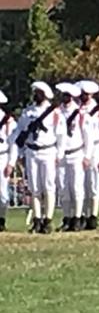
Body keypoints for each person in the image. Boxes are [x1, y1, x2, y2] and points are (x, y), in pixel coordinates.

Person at [7, 81, 64, 233]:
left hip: (48, 151)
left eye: (38, 93)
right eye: (35, 93)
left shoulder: (54, 113)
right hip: (32, 151)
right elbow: (20, 131)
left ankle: (48, 219)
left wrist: (60, 154)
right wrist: (17, 151)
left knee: (48, 186)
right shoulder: (28, 112)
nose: (35, 95)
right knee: (34, 188)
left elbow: (61, 135)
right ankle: (37, 219)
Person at [78, 80, 99, 230]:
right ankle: (83, 215)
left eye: (86, 94)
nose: (83, 96)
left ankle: (93, 216)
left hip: (96, 149)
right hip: (80, 149)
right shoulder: (77, 109)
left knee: (93, 185)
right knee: (81, 185)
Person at [55, 82, 86, 232]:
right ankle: (67, 218)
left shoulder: (79, 113)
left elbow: (87, 136)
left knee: (77, 187)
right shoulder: (57, 112)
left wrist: (87, 155)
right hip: (61, 155)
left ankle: (78, 218)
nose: (64, 98)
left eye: (67, 95)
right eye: (63, 95)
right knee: (63, 188)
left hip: (76, 152)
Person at [0, 90, 15, 232]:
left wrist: (11, 162)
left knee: (3, 192)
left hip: (2, 156)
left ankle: (1, 219)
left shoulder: (7, 120)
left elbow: (13, 143)